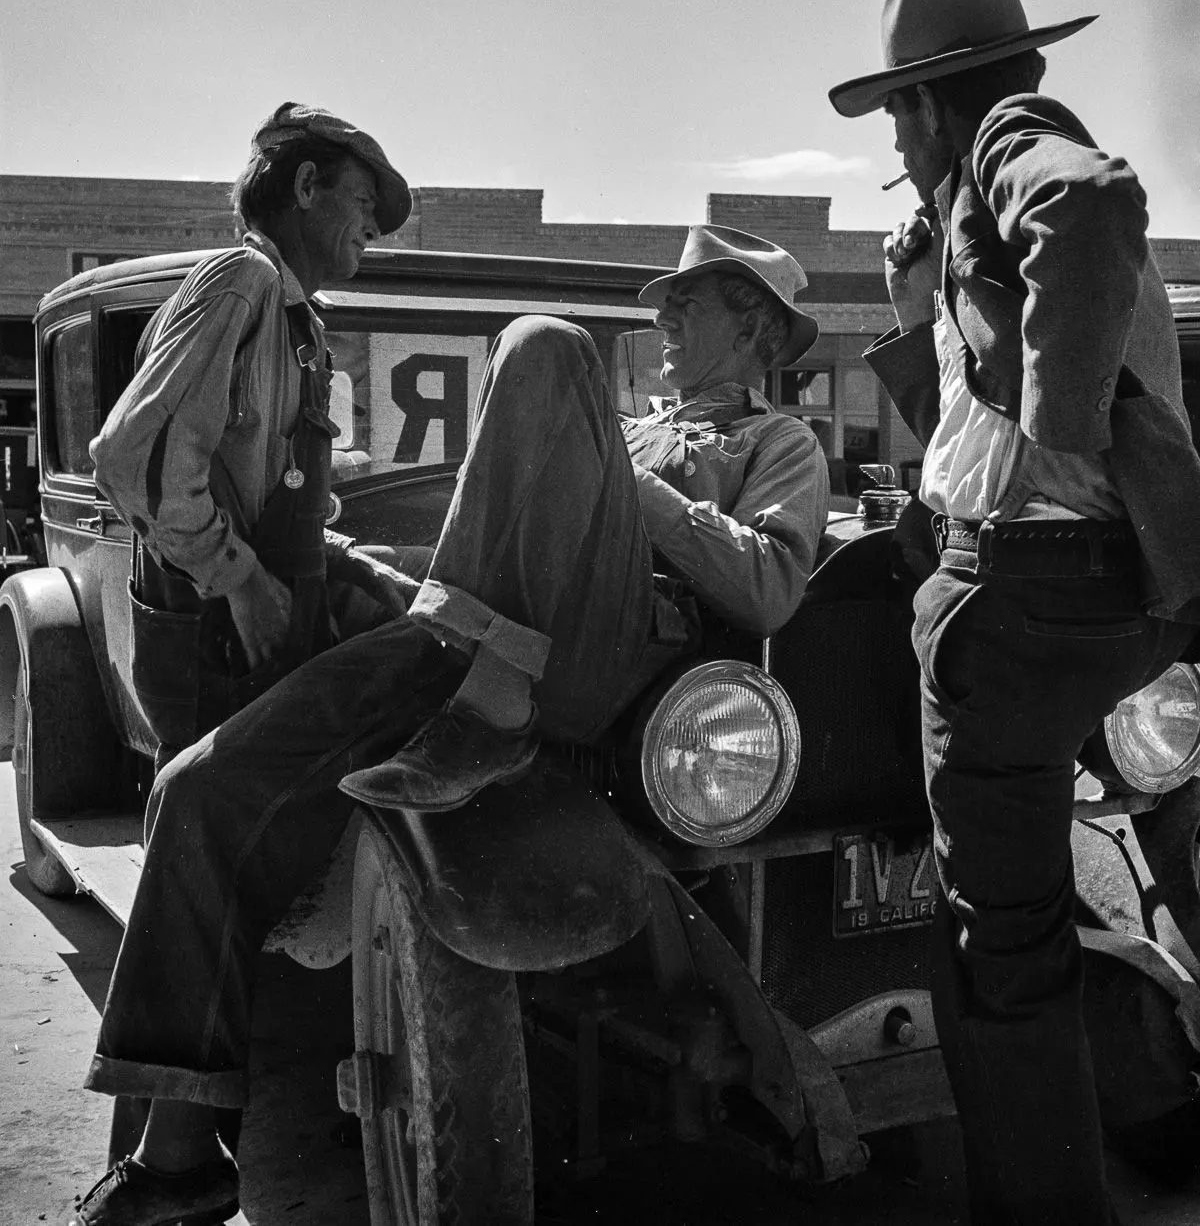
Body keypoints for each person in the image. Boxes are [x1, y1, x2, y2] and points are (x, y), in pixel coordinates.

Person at [66, 225, 830, 1224]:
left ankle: (487, 685)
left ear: (763, 331)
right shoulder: (626, 425)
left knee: (550, 343)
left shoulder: (782, 444)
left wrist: (631, 492)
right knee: (199, 788)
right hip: (468, 643)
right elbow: (507, 523)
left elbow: (772, 586)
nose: (668, 314)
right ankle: (176, 1158)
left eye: (700, 297)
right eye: (669, 297)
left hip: (600, 665)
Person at [828, 0, 1200, 1223]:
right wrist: (916, 307)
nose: (895, 137)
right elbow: (970, 443)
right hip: (1098, 602)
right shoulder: (974, 212)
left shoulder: (1009, 139)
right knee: (1064, 898)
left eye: (894, 112)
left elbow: (1091, 206)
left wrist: (1064, 413)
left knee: (1002, 955)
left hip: (1017, 601)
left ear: (931, 101)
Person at [91, 102, 417, 772]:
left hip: (242, 650)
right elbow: (129, 459)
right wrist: (240, 581)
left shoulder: (297, 320)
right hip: (214, 646)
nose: (371, 229)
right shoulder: (245, 282)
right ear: (305, 189)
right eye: (360, 201)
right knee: (209, 847)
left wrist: (349, 559)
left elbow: (254, 491)